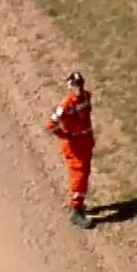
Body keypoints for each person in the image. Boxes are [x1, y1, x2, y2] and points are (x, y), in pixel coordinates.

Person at [46, 72, 95, 229]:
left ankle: (80, 205)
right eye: (75, 85)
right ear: (69, 86)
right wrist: (67, 135)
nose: (78, 88)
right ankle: (76, 212)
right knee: (78, 177)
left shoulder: (86, 97)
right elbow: (51, 125)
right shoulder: (66, 105)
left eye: (80, 84)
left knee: (85, 174)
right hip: (75, 147)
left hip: (86, 144)